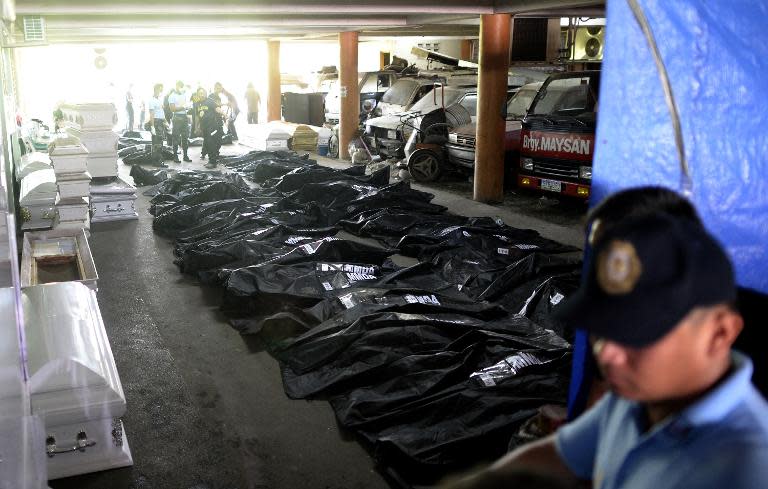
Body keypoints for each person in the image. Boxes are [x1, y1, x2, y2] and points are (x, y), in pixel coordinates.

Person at [481, 211, 768, 489]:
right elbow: (561, 455)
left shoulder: (746, 469)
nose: (607, 355)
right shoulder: (635, 398)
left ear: (720, 333)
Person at [168, 80, 192, 162]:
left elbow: (185, 106)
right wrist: (183, 107)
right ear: (177, 86)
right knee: (176, 138)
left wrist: (187, 107)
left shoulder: (184, 95)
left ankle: (185, 156)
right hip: (177, 117)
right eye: (180, 87)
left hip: (184, 117)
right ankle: (175, 156)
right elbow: (172, 109)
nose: (182, 89)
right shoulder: (172, 96)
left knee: (185, 137)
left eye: (182, 87)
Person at [199, 93, 224, 169]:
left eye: (202, 93)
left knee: (211, 144)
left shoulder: (209, 101)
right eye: (200, 93)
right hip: (205, 127)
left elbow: (217, 109)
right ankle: (211, 161)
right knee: (207, 144)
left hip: (211, 127)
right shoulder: (199, 104)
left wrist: (224, 114)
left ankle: (213, 162)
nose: (201, 95)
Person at [147, 83, 167, 168]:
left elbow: (161, 112)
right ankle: (156, 162)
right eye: (160, 89)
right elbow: (151, 114)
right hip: (156, 122)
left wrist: (166, 122)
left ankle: (158, 161)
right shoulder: (152, 100)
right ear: (156, 89)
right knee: (157, 143)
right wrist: (152, 126)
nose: (161, 91)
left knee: (160, 142)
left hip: (161, 122)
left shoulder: (159, 99)